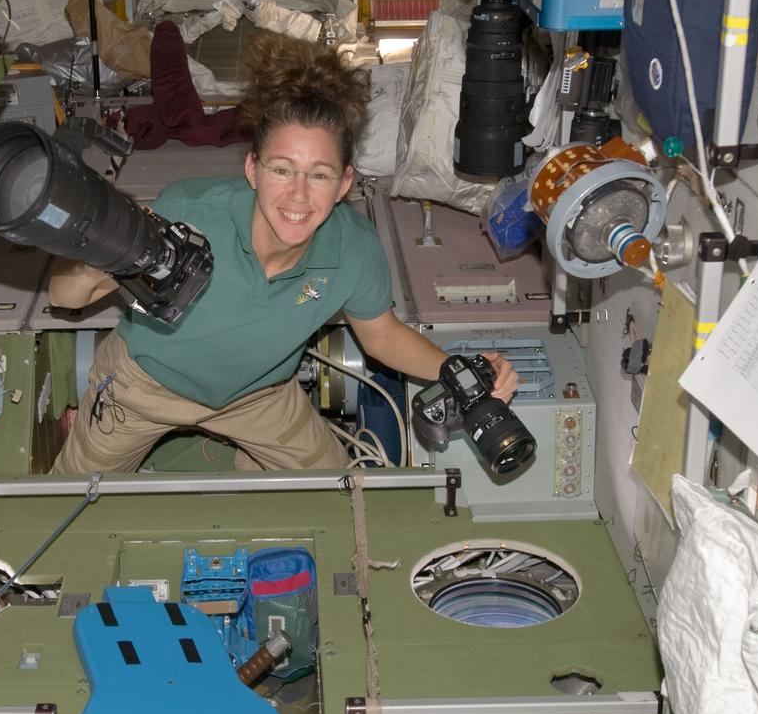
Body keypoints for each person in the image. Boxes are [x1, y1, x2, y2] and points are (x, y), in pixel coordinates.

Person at [48, 34, 519, 475]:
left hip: (259, 394)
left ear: (345, 184)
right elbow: (64, 296)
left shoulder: (354, 248)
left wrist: (460, 374)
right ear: (252, 169)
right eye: (281, 169)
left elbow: (383, 337)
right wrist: (103, 251)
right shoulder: (186, 212)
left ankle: (238, 464)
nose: (297, 196)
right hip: (141, 388)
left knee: (337, 498)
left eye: (318, 175)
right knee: (67, 502)